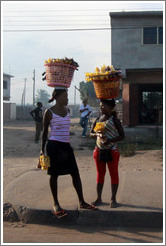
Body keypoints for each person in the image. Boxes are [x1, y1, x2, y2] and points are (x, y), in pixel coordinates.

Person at [41, 88, 97, 218]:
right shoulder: (48, 112)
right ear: (58, 97)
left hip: (66, 146)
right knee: (54, 174)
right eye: (65, 96)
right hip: (54, 146)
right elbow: (44, 132)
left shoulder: (67, 111)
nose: (67, 99)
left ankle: (82, 201)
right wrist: (42, 149)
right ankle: (56, 204)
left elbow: (65, 129)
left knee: (75, 173)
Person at [90, 99, 125, 208]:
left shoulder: (115, 120)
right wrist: (97, 135)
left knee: (113, 174)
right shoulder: (97, 119)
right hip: (99, 150)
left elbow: (122, 136)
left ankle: (113, 199)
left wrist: (110, 140)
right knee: (100, 175)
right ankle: (98, 198)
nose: (101, 107)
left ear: (110, 107)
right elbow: (91, 133)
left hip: (112, 150)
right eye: (100, 106)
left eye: (103, 106)